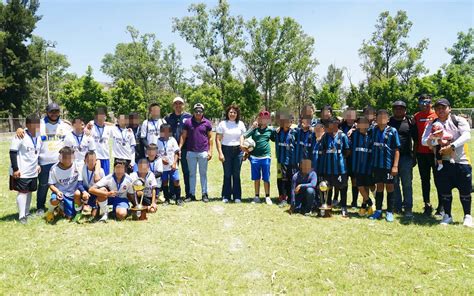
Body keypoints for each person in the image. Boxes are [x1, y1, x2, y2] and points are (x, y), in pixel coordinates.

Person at [422, 98, 472, 227]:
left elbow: (467, 135)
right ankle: (447, 215)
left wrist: (452, 146)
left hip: (461, 161)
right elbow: (424, 140)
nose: (441, 110)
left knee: (465, 190)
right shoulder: (432, 123)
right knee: (444, 190)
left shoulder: (458, 120)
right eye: (438, 108)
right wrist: (437, 142)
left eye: (443, 108)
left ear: (449, 108)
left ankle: (467, 216)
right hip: (442, 163)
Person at [16, 103, 72, 216]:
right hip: (44, 161)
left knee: (62, 184)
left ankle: (61, 205)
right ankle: (40, 207)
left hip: (60, 162)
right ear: (47, 112)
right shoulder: (40, 124)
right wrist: (20, 128)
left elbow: (77, 130)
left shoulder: (64, 125)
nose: (54, 114)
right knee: (43, 185)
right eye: (52, 111)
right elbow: (27, 131)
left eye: (56, 111)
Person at [368, 110, 401, 222]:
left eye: (384, 117)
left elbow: (396, 150)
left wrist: (395, 166)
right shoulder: (373, 130)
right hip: (376, 164)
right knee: (379, 187)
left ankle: (390, 211)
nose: (381, 119)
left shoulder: (393, 131)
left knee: (390, 187)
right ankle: (378, 210)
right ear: (376, 119)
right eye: (379, 117)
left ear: (388, 119)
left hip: (388, 165)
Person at [9, 115, 42, 224]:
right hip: (21, 171)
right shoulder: (20, 135)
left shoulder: (38, 137)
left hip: (33, 170)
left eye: (38, 123)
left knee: (30, 192)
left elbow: (35, 153)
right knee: (22, 192)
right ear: (28, 125)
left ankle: (27, 213)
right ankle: (21, 216)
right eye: (34, 123)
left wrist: (37, 164)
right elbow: (13, 152)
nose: (37, 125)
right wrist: (15, 169)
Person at [414, 94, 442, 216]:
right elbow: (415, 137)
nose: (424, 105)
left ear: (431, 103)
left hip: (435, 153)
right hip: (421, 154)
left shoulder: (436, 115)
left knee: (439, 179)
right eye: (422, 103)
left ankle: (441, 206)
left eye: (427, 103)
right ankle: (427, 204)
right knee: (425, 180)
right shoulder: (416, 116)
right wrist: (414, 154)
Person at [179, 103, 213, 203]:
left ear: (203, 111)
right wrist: (179, 148)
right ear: (193, 111)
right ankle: (191, 194)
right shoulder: (188, 122)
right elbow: (183, 136)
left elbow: (210, 138)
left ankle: (204, 194)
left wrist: (210, 151)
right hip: (191, 152)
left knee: (203, 174)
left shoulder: (207, 123)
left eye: (200, 111)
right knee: (192, 174)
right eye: (196, 111)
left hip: (203, 152)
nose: (198, 113)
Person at [389, 100, 417, 217]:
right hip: (391, 157)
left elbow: (416, 141)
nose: (398, 110)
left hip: (406, 157)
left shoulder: (410, 122)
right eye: (396, 108)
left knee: (407, 184)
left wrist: (414, 156)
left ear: (405, 110)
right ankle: (397, 206)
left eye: (401, 108)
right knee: (394, 183)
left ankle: (408, 208)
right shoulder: (389, 121)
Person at [318, 117, 351, 217]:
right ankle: (328, 206)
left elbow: (347, 150)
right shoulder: (325, 136)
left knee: (342, 187)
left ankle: (344, 207)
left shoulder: (343, 136)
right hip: (328, 168)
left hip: (340, 168)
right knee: (328, 188)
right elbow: (322, 149)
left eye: (331, 124)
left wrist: (339, 158)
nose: (329, 126)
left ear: (336, 125)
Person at [243, 110, 276, 204]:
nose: (264, 120)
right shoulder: (255, 129)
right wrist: (252, 127)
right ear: (259, 118)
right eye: (262, 118)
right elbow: (245, 136)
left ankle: (267, 196)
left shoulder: (270, 130)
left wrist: (277, 130)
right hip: (254, 157)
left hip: (266, 157)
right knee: (256, 178)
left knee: (266, 178)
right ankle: (256, 196)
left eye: (266, 118)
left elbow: (274, 138)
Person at [216, 104, 246, 203]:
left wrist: (242, 146)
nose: (232, 114)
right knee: (227, 174)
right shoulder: (222, 124)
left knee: (236, 174)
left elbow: (242, 136)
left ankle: (237, 196)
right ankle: (226, 196)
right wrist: (220, 153)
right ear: (227, 113)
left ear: (237, 114)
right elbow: (218, 139)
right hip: (226, 150)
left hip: (238, 151)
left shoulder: (241, 124)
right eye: (230, 112)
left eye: (234, 112)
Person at [45, 147, 85, 222]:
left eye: (70, 157)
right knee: (54, 200)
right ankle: (50, 211)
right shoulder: (54, 169)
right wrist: (57, 192)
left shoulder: (77, 165)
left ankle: (77, 211)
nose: (68, 160)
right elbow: (51, 184)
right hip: (61, 193)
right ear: (60, 157)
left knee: (70, 216)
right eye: (65, 158)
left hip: (73, 193)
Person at [165, 97, 192, 200]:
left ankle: (188, 193)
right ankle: (172, 194)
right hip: (171, 150)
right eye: (176, 103)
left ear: (183, 105)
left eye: (180, 103)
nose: (178, 105)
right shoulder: (168, 117)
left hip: (185, 148)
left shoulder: (188, 117)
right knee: (172, 170)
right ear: (173, 106)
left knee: (186, 171)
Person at [350, 117, 375, 217]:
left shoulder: (372, 134)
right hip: (357, 165)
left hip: (369, 165)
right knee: (360, 186)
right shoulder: (354, 134)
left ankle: (364, 206)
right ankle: (370, 203)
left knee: (368, 186)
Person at [274, 110, 295, 206]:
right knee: (282, 179)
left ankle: (290, 198)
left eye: (290, 121)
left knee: (290, 179)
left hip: (291, 160)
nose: (288, 123)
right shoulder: (277, 132)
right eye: (285, 121)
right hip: (281, 160)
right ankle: (282, 198)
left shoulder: (295, 132)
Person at [157, 123, 182, 205]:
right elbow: (156, 154)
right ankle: (166, 199)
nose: (165, 133)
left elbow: (176, 152)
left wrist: (174, 163)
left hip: (172, 166)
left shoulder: (172, 140)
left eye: (167, 131)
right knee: (164, 182)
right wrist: (161, 159)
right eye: (163, 131)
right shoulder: (158, 141)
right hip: (163, 167)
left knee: (176, 181)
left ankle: (178, 199)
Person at [340, 107, 358, 208]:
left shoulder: (359, 126)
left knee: (354, 181)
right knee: (343, 180)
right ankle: (343, 202)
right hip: (343, 157)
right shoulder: (341, 126)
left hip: (355, 158)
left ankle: (354, 202)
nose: (350, 117)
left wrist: (354, 128)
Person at [87, 108, 113, 175]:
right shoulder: (91, 127)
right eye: (99, 115)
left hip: (105, 157)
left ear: (105, 116)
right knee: (95, 178)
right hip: (95, 157)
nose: (101, 117)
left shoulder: (109, 128)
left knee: (106, 178)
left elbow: (116, 125)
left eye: (103, 115)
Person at [80, 151, 105, 219]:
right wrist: (83, 191)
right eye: (88, 160)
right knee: (77, 193)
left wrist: (98, 197)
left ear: (96, 161)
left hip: (95, 193)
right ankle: (78, 211)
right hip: (86, 192)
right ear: (85, 161)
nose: (91, 162)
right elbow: (79, 183)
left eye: (93, 160)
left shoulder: (101, 171)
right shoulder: (81, 168)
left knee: (94, 216)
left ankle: (98, 208)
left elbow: (104, 186)